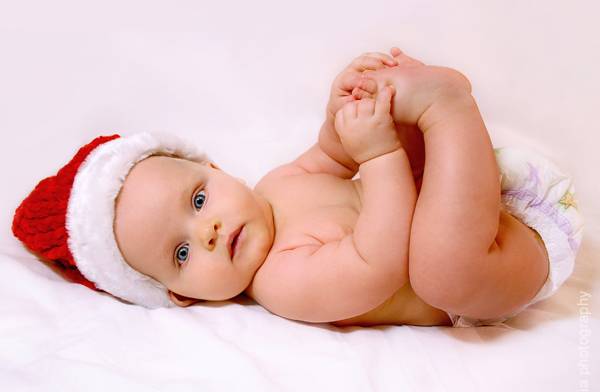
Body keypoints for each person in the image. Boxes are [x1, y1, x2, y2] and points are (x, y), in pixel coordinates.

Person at [12, 47, 583, 327]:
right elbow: (380, 261)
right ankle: (447, 107)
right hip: (502, 257)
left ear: (217, 168)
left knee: (390, 144)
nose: (207, 230)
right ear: (182, 296)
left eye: (199, 199)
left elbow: (333, 153)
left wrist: (347, 107)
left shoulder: (277, 184)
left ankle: (419, 101)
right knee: (440, 274)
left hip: (479, 194)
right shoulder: (280, 282)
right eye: (181, 253)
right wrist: (378, 153)